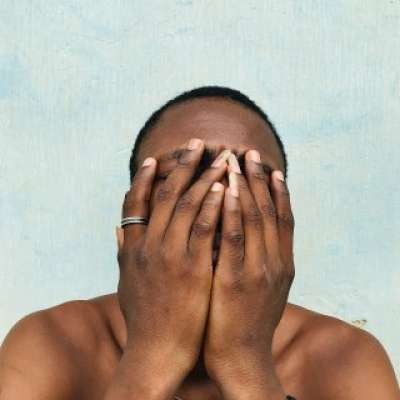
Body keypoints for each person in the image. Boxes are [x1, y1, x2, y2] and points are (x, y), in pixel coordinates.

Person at [0, 86, 398, 400]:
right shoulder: (54, 342)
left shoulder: (343, 357)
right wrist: (153, 357)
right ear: (130, 225)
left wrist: (245, 364)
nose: (214, 208)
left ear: (283, 229)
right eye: (180, 180)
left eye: (249, 182)